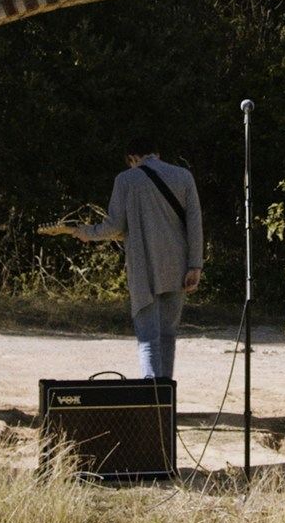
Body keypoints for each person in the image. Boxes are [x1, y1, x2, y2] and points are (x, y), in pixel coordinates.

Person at [71, 136, 203, 380]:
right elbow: (195, 225)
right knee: (168, 335)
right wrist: (195, 264)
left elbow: (114, 226)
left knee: (148, 337)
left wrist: (87, 233)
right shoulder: (183, 176)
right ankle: (166, 397)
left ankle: (152, 397)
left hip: (145, 267)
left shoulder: (126, 179)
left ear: (133, 158)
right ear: (157, 153)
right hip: (179, 265)